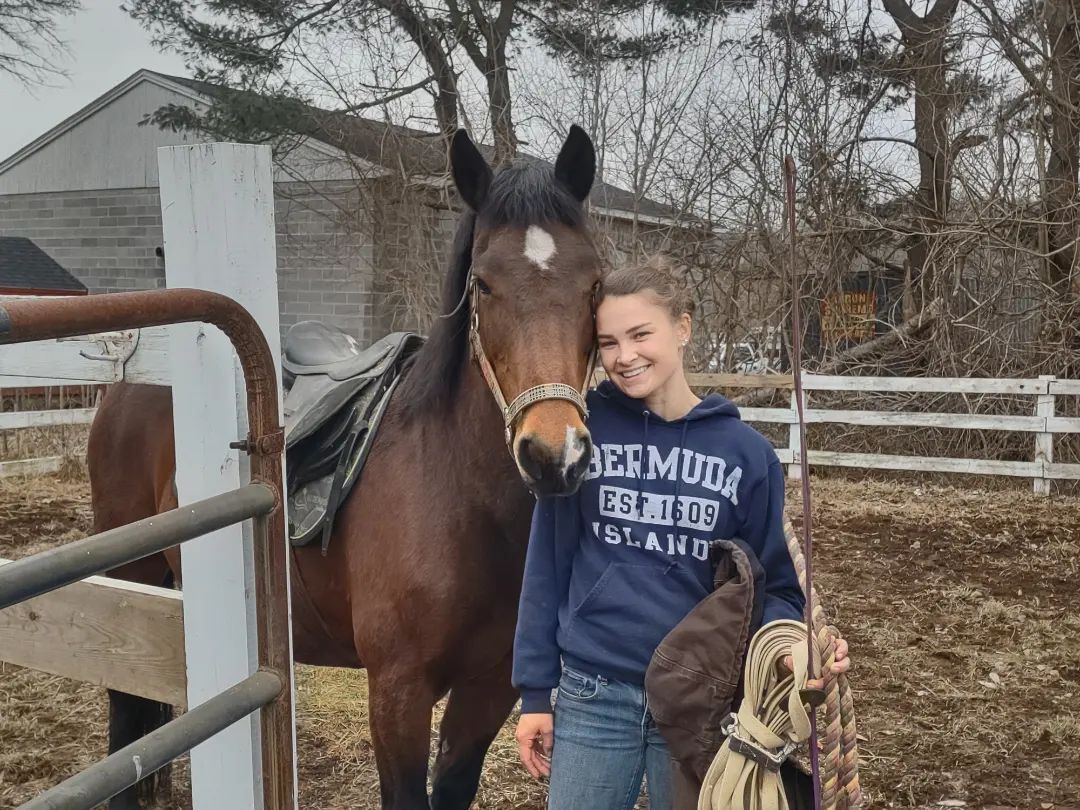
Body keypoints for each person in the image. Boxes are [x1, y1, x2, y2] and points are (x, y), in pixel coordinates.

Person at [511, 257, 850, 810]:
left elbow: (776, 589)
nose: (625, 356)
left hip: (701, 699)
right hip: (594, 693)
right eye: (609, 342)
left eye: (641, 334)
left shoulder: (746, 456)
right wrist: (533, 694)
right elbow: (546, 566)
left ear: (684, 329)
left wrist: (791, 651)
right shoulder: (584, 433)